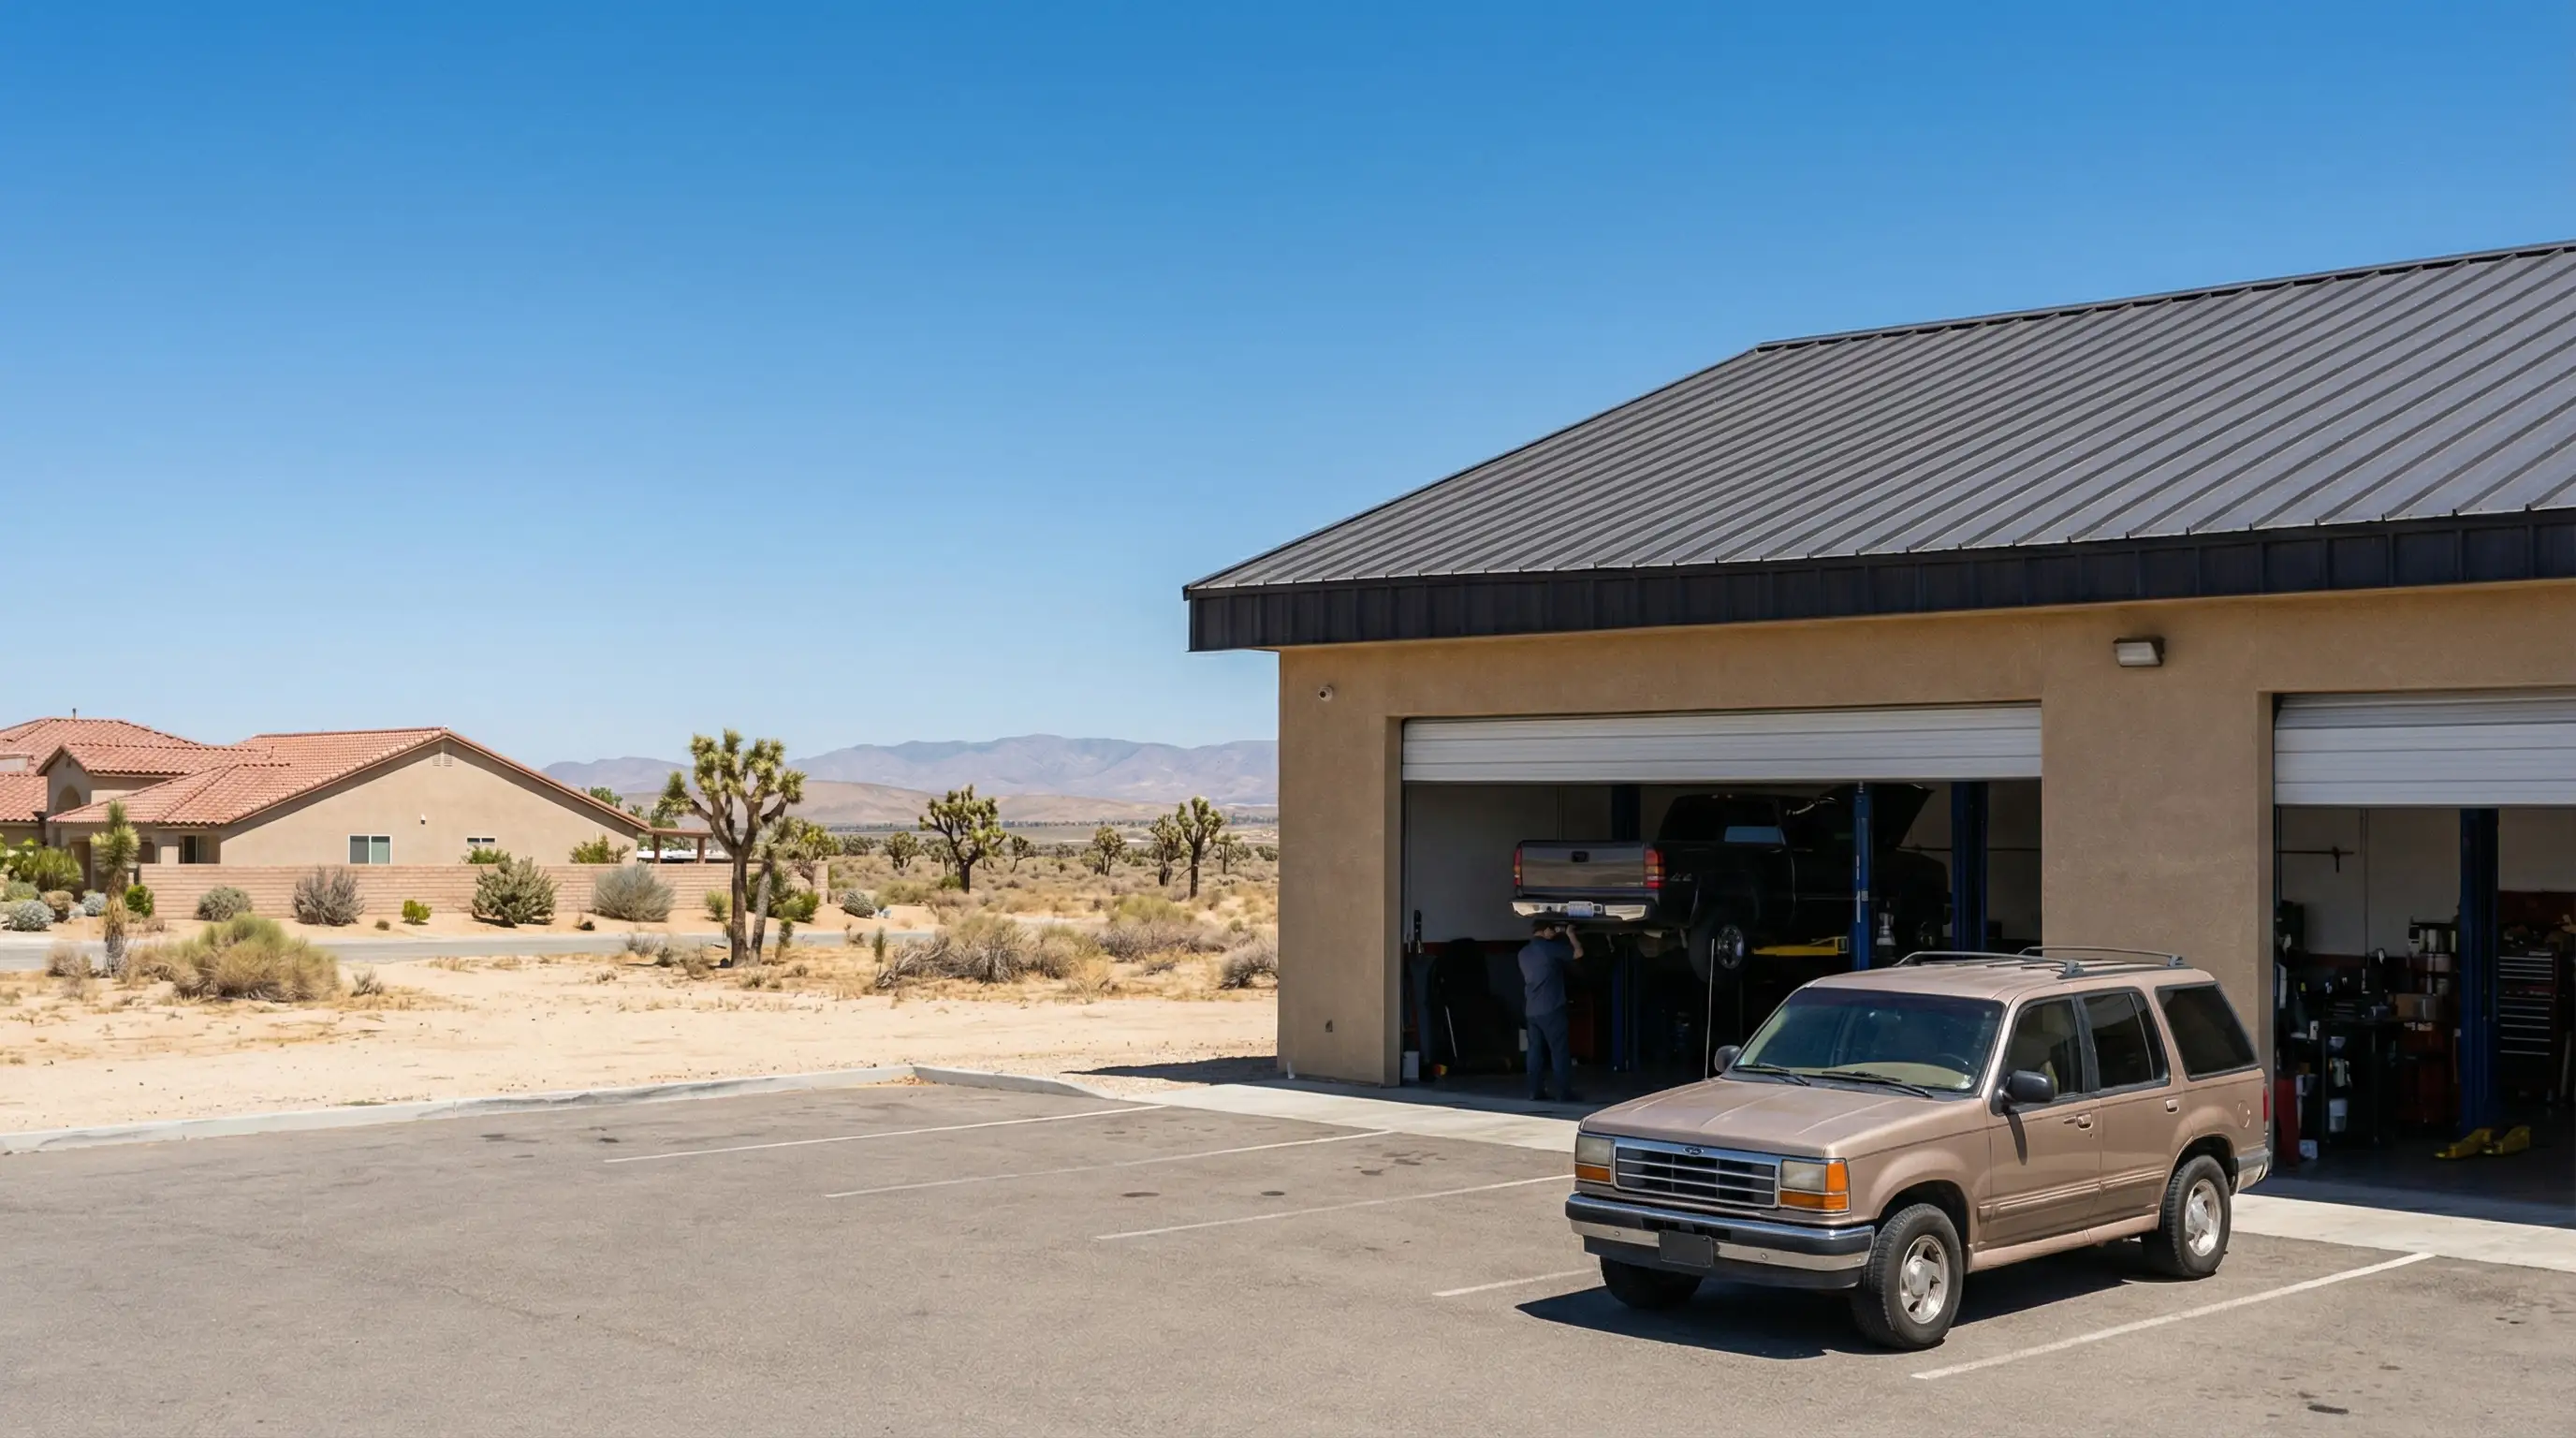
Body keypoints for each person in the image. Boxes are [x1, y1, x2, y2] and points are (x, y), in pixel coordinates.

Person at [1518, 918, 1582, 1102]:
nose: (1554, 933)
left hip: (1532, 1010)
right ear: (1545, 931)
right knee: (1559, 1051)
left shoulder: (1523, 953)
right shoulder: (1548, 948)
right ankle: (1564, 1093)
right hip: (1552, 1008)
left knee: (1534, 1053)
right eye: (1552, 930)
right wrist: (1570, 935)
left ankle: (1535, 1092)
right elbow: (1578, 953)